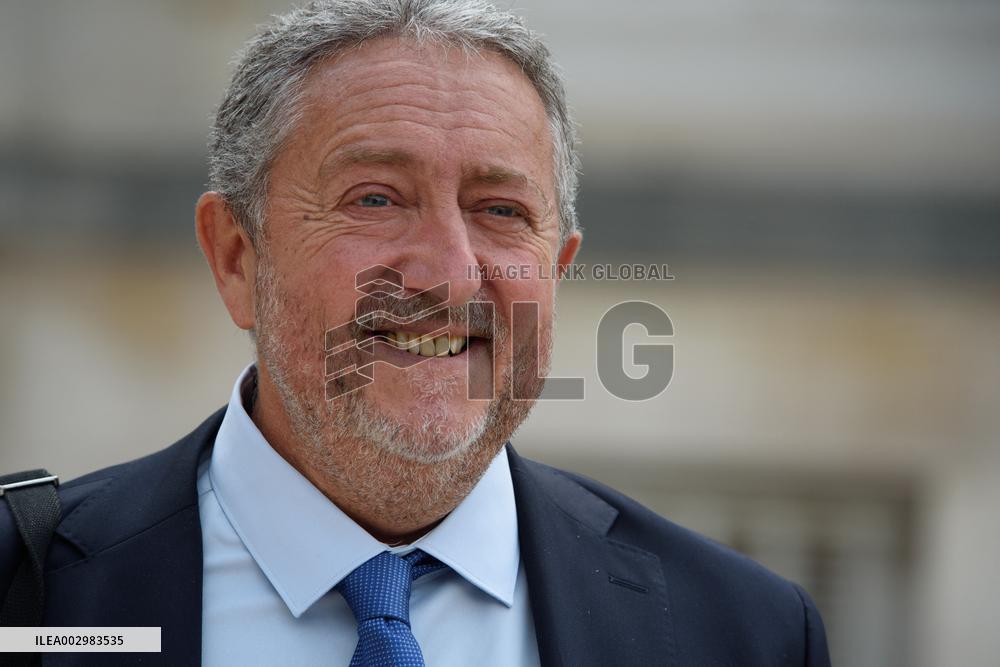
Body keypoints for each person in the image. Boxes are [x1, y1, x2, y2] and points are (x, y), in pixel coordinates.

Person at [0, 1, 830, 664]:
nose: (448, 273)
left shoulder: (740, 633)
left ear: (558, 271)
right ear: (235, 258)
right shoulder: (27, 596)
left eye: (501, 212)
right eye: (375, 198)